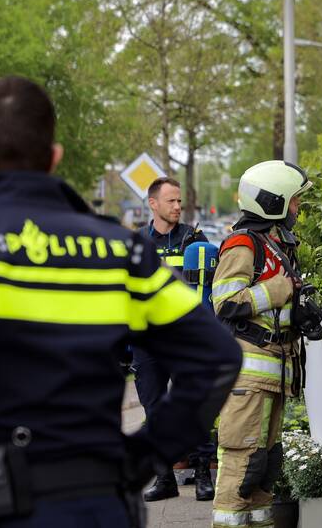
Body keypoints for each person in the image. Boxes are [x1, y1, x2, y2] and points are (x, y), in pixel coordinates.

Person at [0, 76, 241, 528]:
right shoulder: (119, 250)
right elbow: (216, 357)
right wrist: (141, 455)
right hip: (102, 502)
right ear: (54, 157)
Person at [210, 160, 312, 528]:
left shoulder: (278, 243)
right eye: (295, 201)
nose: (298, 209)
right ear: (275, 201)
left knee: (266, 464)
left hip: (274, 372)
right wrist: (278, 290)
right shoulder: (243, 244)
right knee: (242, 461)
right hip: (249, 375)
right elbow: (224, 302)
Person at [137, 177, 215, 502]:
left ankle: (202, 476)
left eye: (179, 201)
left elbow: (211, 282)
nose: (177, 207)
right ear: (153, 204)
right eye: (170, 201)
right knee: (154, 409)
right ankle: (164, 478)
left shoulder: (193, 239)